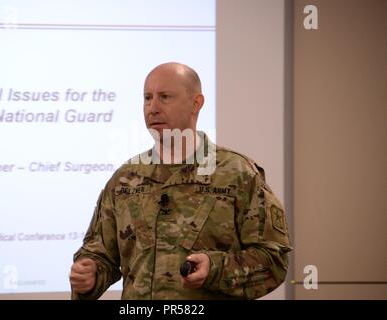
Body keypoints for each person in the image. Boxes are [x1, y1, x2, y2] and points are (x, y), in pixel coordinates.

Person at [69, 62, 292, 300]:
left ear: (196, 103)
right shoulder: (126, 179)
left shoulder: (238, 174)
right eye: (147, 98)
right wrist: (90, 273)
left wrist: (215, 268)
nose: (152, 108)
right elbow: (100, 255)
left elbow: (273, 260)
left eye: (164, 97)